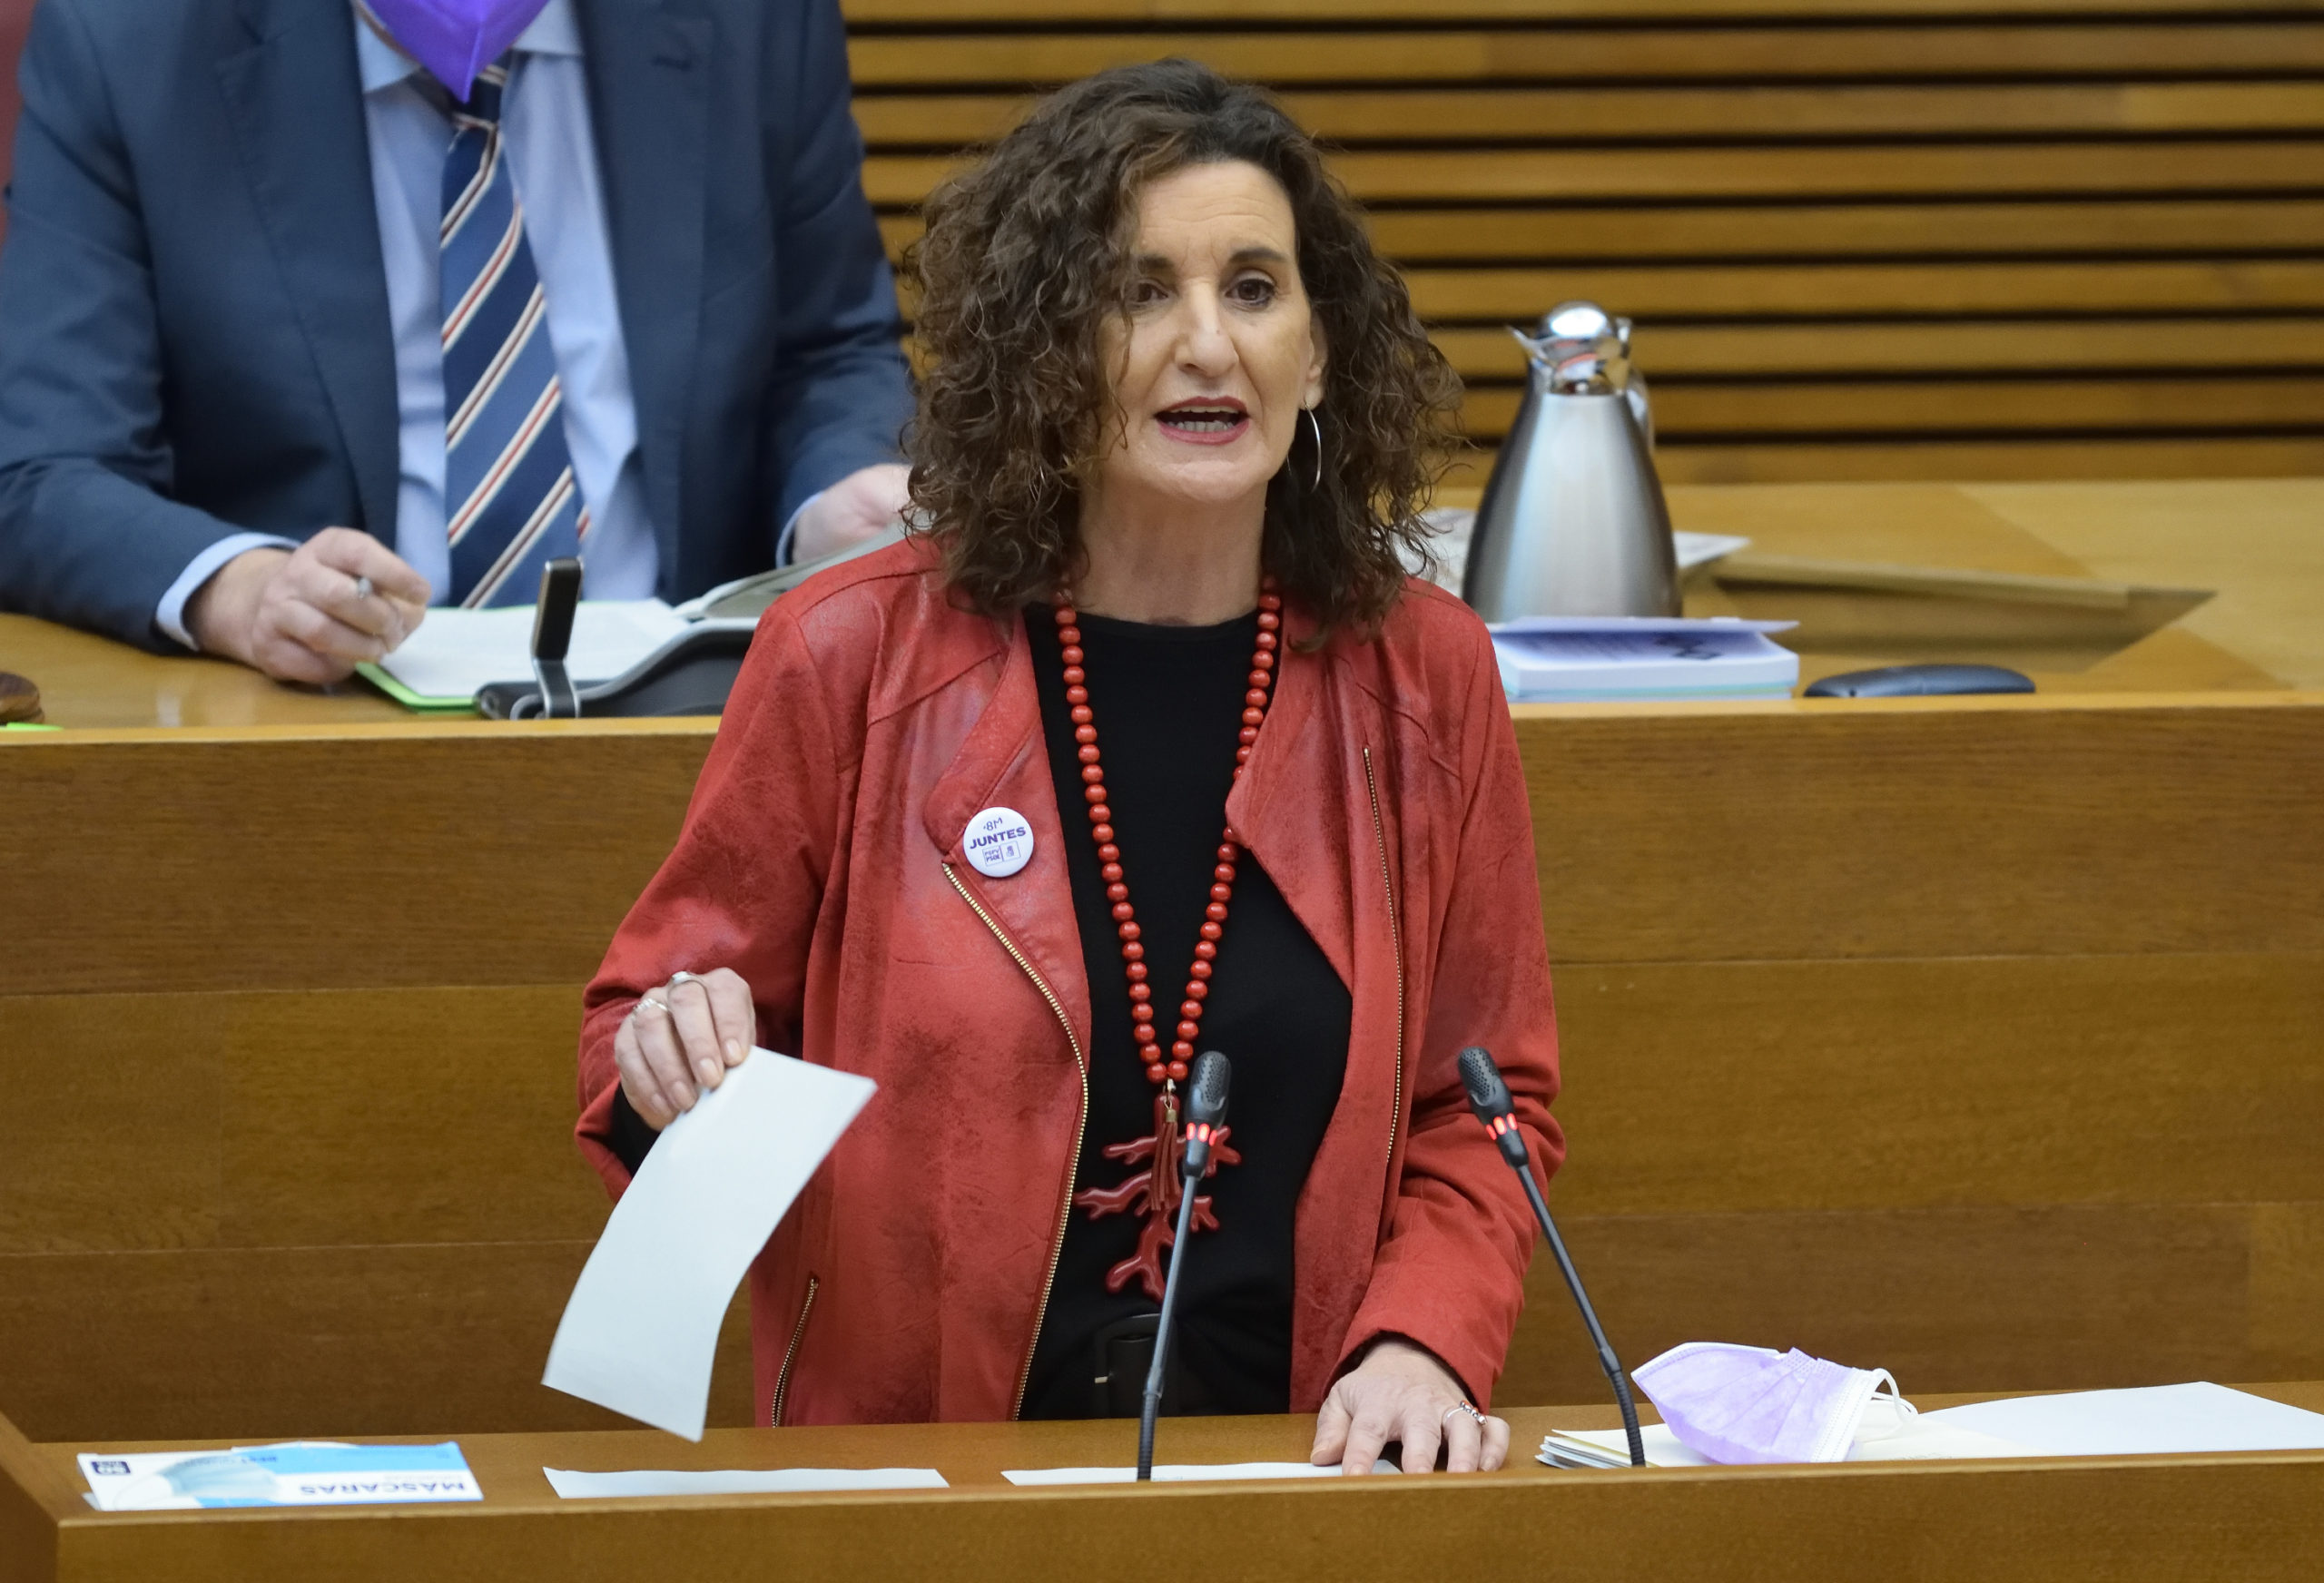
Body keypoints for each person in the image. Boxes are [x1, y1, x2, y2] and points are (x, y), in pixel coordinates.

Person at [575, 60, 1561, 1476]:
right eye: (1140, 291)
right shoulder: (846, 658)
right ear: (1047, 347)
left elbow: (1490, 1107)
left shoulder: (1424, 675)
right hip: (923, 1491)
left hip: (1306, 1480)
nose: (1207, 344)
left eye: (1254, 288)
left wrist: (1422, 1340)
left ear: (1322, 350)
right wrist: (672, 1051)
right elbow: (634, 1030)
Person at [0, 0, 911, 683]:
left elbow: (827, 353)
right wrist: (239, 589)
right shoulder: (135, 37)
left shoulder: (746, 20)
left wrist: (828, 501)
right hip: (310, 720)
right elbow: (45, 468)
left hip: (687, 706)